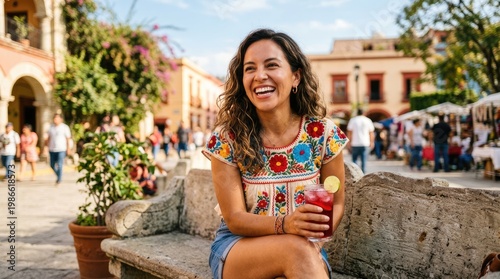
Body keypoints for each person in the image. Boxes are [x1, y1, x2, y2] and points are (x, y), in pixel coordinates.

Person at [202, 29, 348, 279]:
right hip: (239, 246)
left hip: (305, 247)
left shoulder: (322, 133)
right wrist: (286, 225)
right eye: (249, 69)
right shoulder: (227, 139)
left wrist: (316, 239)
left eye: (271, 65)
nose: (260, 76)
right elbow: (235, 218)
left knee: (296, 254)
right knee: (294, 252)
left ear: (295, 77)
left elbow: (336, 201)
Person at [46, 113, 72, 184]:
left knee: (60, 164)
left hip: (61, 149)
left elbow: (68, 138)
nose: (55, 120)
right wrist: (46, 147)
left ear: (61, 119)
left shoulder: (65, 127)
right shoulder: (51, 127)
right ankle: (58, 175)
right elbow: (48, 138)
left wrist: (68, 148)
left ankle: (59, 179)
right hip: (52, 149)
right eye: (54, 118)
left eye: (57, 118)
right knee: (52, 165)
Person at [347, 108, 375, 173]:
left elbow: (349, 132)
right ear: (364, 113)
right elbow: (371, 133)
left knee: (354, 161)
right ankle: (363, 175)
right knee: (364, 161)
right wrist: (372, 142)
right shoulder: (368, 120)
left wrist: (349, 142)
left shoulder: (353, 120)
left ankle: (355, 175)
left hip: (355, 143)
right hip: (365, 143)